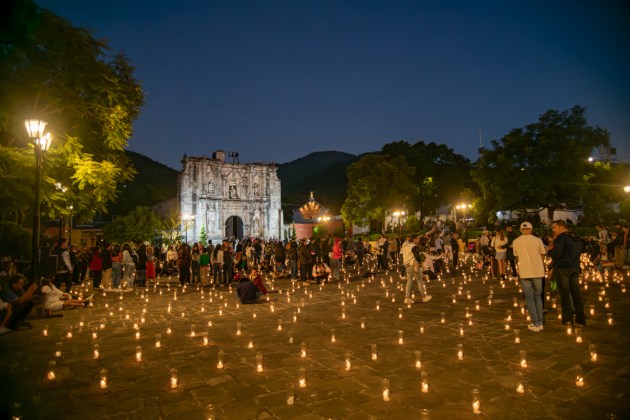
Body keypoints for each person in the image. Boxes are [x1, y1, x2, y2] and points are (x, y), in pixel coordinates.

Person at [548, 220, 586, 327]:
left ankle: (567, 319)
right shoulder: (575, 238)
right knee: (576, 294)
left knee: (565, 295)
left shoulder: (560, 239)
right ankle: (580, 320)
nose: (553, 229)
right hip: (574, 268)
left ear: (561, 227)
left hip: (563, 269)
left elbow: (557, 254)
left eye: (554, 227)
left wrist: (550, 251)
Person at [512, 222, 546, 332]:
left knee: (529, 298)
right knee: (538, 296)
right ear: (531, 229)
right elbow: (542, 254)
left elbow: (516, 257)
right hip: (538, 271)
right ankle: (540, 322)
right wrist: (539, 264)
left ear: (521, 230)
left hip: (525, 272)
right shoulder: (537, 240)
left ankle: (535, 322)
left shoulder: (516, 241)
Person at [401, 234, 432, 304]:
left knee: (409, 281)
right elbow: (417, 257)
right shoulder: (414, 247)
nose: (418, 240)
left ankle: (407, 298)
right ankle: (424, 297)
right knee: (419, 280)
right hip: (413, 264)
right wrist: (421, 261)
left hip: (407, 265)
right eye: (417, 239)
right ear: (414, 239)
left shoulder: (406, 246)